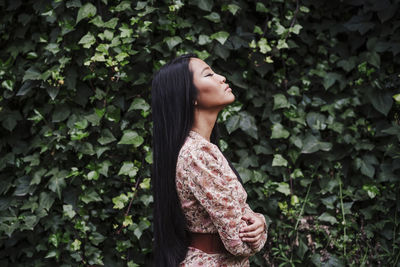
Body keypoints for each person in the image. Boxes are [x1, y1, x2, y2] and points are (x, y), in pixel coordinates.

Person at [151, 54, 268, 267]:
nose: (221, 78)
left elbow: (240, 212)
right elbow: (238, 243)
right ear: (190, 96)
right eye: (209, 74)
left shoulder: (201, 149)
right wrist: (258, 234)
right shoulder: (197, 155)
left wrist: (258, 221)